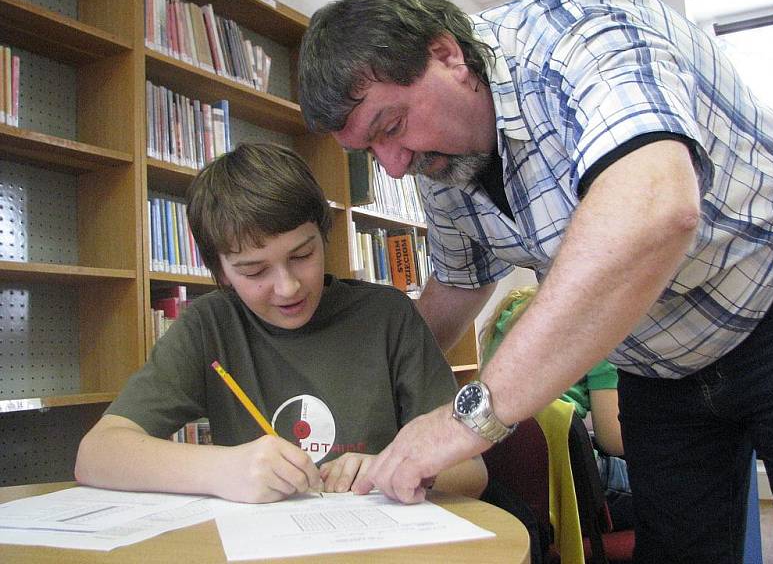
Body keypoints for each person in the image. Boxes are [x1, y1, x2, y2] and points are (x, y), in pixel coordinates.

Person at [298, 0, 773, 563]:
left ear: (446, 55)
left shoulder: (579, 34)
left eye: (390, 127)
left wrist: (468, 419)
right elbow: (456, 287)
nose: (394, 163)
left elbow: (657, 208)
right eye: (368, 152)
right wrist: (365, 405)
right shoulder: (440, 166)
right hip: (655, 360)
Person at [74, 143, 487, 504]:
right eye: (254, 272)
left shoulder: (387, 317)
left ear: (324, 236)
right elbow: (97, 454)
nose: (287, 287)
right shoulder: (210, 326)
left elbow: (471, 472)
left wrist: (390, 468)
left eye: (302, 255)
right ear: (221, 274)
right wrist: (222, 470)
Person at [481, 286, 633, 531]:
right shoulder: (598, 324)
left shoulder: (512, 310)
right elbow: (613, 440)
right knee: (680, 485)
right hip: (576, 485)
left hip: (519, 487)